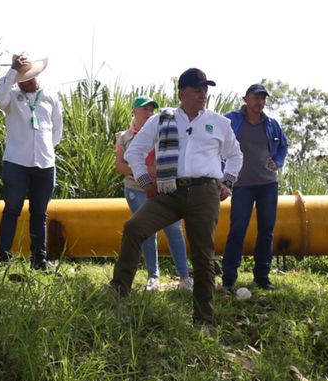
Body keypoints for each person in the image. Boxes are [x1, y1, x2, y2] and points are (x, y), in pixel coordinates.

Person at [109, 68, 243, 326]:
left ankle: (203, 320)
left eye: (206, 89)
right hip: (169, 190)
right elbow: (134, 152)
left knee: (203, 255)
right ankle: (118, 292)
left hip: (205, 192)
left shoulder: (219, 122)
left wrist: (228, 182)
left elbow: (236, 155)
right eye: (197, 89)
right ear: (182, 92)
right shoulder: (162, 119)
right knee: (134, 227)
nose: (203, 94)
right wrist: (145, 180)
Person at [0, 54, 62, 269]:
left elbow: (57, 130)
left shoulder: (50, 97)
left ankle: (39, 260)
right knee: (12, 209)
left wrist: (46, 150)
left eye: (30, 78)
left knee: (40, 213)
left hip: (45, 164)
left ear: (37, 75)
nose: (27, 82)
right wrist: (12, 72)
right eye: (22, 79)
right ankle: (3, 257)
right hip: (16, 163)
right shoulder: (10, 97)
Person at [115, 97, 190, 291]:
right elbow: (120, 166)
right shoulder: (124, 136)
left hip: (164, 188)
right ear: (134, 111)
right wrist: (149, 172)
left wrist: (151, 171)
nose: (149, 112)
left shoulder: (164, 129)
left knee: (174, 230)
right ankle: (153, 277)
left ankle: (184, 276)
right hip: (136, 189)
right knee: (146, 232)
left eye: (151, 109)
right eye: (144, 109)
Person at [222, 83, 289, 293]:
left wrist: (277, 162)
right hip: (241, 185)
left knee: (266, 231)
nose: (259, 102)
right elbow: (217, 141)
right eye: (255, 98)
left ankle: (262, 277)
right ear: (245, 99)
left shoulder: (271, 124)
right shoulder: (231, 119)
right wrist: (222, 171)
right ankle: (229, 279)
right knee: (237, 231)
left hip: (267, 184)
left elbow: (283, 147)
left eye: (263, 99)